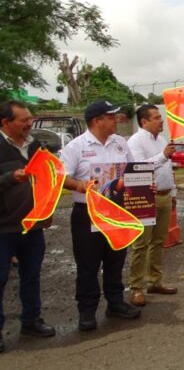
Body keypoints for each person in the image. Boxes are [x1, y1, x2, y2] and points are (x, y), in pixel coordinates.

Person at [61, 100, 141, 331]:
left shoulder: (120, 143)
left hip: (116, 210)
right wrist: (79, 185)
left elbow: (133, 169)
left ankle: (115, 303)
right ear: (97, 121)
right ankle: (87, 310)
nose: (117, 120)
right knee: (88, 263)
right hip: (88, 213)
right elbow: (61, 177)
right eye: (111, 116)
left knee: (116, 258)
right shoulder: (76, 147)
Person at [0, 101, 56, 352]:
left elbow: (51, 176)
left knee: (31, 276)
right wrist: (10, 178)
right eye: (24, 120)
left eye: (30, 119)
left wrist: (48, 209)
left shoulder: (35, 145)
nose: (29, 124)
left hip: (33, 226)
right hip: (3, 228)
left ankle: (31, 321)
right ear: (5, 122)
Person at [126, 104, 178, 307]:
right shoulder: (135, 141)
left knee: (158, 241)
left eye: (160, 117)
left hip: (164, 196)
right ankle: (136, 287)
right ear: (144, 121)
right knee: (141, 244)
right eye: (156, 118)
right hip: (145, 198)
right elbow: (137, 168)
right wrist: (163, 155)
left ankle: (155, 281)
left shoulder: (162, 140)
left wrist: (173, 192)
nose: (161, 120)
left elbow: (168, 169)